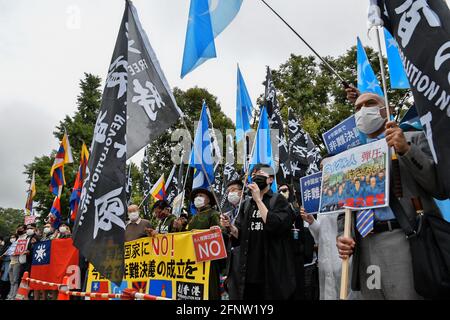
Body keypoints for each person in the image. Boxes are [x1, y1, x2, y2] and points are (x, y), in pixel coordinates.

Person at [336, 90, 447, 299]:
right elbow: (345, 207)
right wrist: (343, 235)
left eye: (369, 103)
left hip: (406, 241)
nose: (362, 111)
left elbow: (438, 187)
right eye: (357, 108)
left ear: (387, 110)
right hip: (366, 246)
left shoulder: (414, 138)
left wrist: (405, 149)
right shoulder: (352, 158)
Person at [220, 164, 296, 300]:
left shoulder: (278, 200)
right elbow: (240, 234)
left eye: (260, 173)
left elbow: (276, 225)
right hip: (247, 274)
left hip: (271, 274)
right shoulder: (246, 204)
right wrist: (230, 227)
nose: (255, 176)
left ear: (270, 179)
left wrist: (258, 200)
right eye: (253, 174)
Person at [187, 187, 223, 300]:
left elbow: (222, 233)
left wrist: (216, 230)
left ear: (209, 200)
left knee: (210, 289)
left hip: (209, 260)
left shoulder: (213, 214)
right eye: (196, 196)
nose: (198, 198)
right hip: (193, 258)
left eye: (201, 196)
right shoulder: (193, 218)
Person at [278, 183, 306, 300]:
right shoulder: (277, 209)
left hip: (297, 254)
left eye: (284, 190)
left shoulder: (297, 208)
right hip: (283, 255)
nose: (282, 193)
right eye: (279, 191)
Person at [221, 179, 244, 300]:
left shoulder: (249, 207)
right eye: (228, 191)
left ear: (242, 192)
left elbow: (245, 235)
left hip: (245, 260)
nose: (230, 193)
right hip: (232, 261)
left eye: (234, 190)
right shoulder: (229, 213)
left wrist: (231, 226)